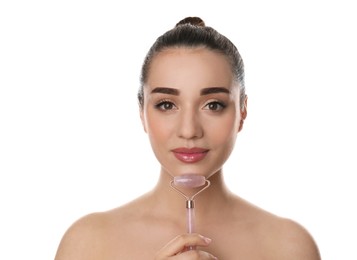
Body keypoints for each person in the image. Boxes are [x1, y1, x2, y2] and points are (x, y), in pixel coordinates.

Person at [55, 16, 321, 259]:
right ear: (141, 112)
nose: (189, 130)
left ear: (242, 111)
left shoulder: (289, 247)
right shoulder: (88, 244)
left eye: (213, 105)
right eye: (167, 105)